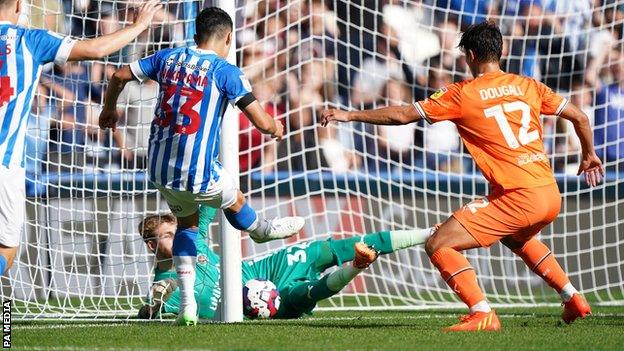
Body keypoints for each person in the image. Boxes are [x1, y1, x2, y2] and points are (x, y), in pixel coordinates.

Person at [320, 21, 604, 331]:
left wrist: (348, 114)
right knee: (516, 238)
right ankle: (573, 297)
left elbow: (403, 115)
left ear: (469, 56)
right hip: (549, 192)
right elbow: (579, 116)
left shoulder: (462, 93)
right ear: (502, 50)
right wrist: (588, 154)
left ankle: (482, 312)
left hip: (518, 196)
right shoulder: (528, 86)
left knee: (439, 244)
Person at [98, 7, 305, 325]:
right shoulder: (226, 71)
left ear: (195, 35)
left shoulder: (166, 58)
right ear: (229, 38)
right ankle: (261, 230)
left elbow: (117, 75)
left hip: (159, 170)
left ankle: (187, 306)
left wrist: (108, 110)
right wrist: (276, 129)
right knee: (234, 199)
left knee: (188, 226)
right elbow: (261, 122)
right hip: (197, 172)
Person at [0, 0, 162, 293]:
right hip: (5, 165)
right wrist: (138, 26)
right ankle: (6, 332)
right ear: (20, 6)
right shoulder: (30, 40)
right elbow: (96, 50)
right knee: (7, 250)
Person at [136, 207, 435, 320]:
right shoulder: (166, 288)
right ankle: (356, 266)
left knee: (319, 249)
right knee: (302, 294)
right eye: (166, 236)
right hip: (248, 307)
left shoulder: (194, 237)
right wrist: (152, 305)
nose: (176, 240)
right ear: (152, 245)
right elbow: (150, 311)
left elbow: (214, 195)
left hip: (259, 273)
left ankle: (428, 234)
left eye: (176, 232)